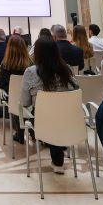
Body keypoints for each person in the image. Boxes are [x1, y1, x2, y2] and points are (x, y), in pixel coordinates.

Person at [20, 36, 79, 174]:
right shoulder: (67, 69)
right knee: (57, 116)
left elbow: (25, 102)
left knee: (46, 115)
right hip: (69, 120)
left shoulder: (30, 72)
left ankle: (57, 158)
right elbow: (76, 90)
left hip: (42, 122)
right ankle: (58, 158)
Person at [0, 34, 32, 143]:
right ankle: (33, 131)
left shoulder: (6, 64)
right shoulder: (31, 63)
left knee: (14, 99)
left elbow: (0, 83)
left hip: (13, 99)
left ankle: (19, 133)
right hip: (30, 99)